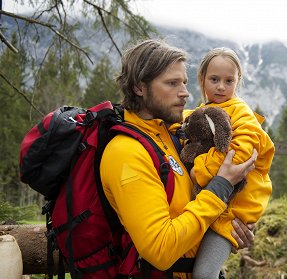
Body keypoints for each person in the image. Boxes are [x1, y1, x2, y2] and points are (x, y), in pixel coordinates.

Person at [100, 39, 258, 278]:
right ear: (139, 87)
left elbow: (189, 211)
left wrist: (230, 228)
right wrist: (221, 188)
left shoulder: (172, 134)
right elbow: (160, 250)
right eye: (172, 83)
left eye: (184, 82)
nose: (185, 92)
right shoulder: (126, 153)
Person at [186, 47, 275, 278]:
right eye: (214, 79)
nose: (221, 87)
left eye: (229, 80)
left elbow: (238, 154)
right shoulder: (203, 110)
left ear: (238, 81)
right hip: (215, 206)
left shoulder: (242, 113)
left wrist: (200, 171)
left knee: (204, 275)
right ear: (202, 79)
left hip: (233, 215)